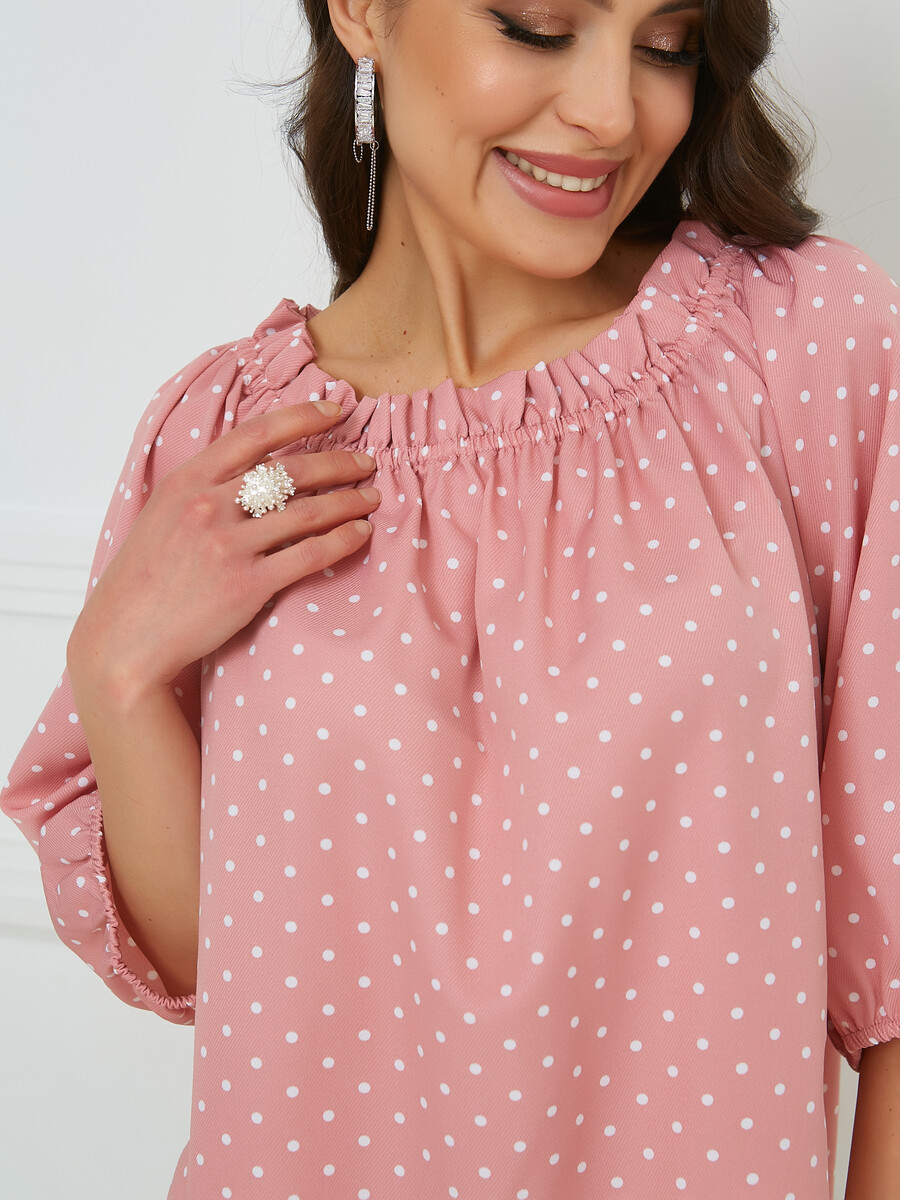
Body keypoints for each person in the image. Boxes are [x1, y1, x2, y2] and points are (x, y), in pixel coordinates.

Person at [2, 0, 899, 1196]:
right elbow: (220, 965)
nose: (612, 111)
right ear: (362, 13)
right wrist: (116, 674)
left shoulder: (799, 349)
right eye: (538, 25)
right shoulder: (225, 438)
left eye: (665, 44)